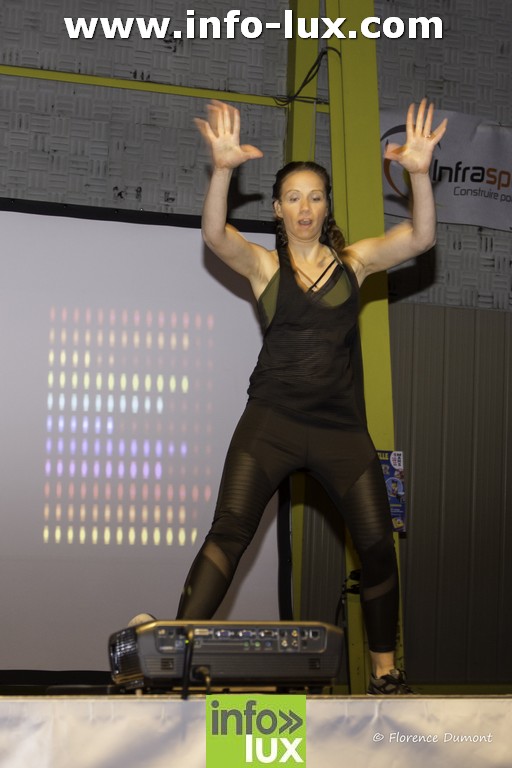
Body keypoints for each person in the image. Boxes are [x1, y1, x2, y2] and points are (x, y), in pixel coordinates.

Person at [174, 99, 447, 695]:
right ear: (277, 209)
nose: (304, 207)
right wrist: (222, 171)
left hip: (340, 432)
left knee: (378, 547)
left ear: (327, 207)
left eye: (315, 197)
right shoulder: (265, 268)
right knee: (228, 533)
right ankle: (175, 657)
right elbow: (215, 235)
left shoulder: (356, 262)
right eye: (293, 198)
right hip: (270, 424)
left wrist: (419, 175)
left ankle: (385, 672)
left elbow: (421, 237)